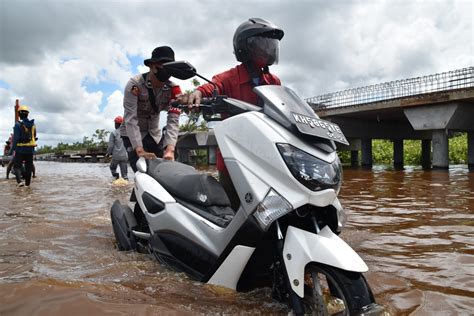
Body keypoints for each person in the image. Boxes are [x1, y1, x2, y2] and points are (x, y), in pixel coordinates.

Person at [180, 18, 284, 209]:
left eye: (271, 45)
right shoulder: (229, 78)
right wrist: (196, 94)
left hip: (265, 155)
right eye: (263, 44)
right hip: (234, 157)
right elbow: (211, 87)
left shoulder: (273, 80)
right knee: (233, 209)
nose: (268, 50)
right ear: (245, 48)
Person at [121, 45, 183, 172]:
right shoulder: (134, 85)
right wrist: (139, 150)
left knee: (163, 171)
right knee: (142, 172)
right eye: (162, 65)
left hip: (154, 134)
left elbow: (173, 119)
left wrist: (170, 149)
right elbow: (130, 118)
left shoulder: (174, 90)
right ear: (152, 66)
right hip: (131, 134)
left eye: (169, 66)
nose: (165, 70)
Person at [9, 105, 37, 187]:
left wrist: (11, 150)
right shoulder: (33, 125)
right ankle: (27, 185)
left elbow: (16, 139)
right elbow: (34, 136)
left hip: (20, 149)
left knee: (17, 166)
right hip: (30, 150)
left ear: (19, 114)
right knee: (29, 168)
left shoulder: (17, 125)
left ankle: (20, 182)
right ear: (27, 114)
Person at [106, 116, 128, 180]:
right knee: (125, 174)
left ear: (116, 124)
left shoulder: (113, 133)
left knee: (112, 168)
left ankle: (116, 175)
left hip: (116, 156)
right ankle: (126, 185)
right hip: (125, 156)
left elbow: (110, 146)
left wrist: (108, 154)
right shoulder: (127, 132)